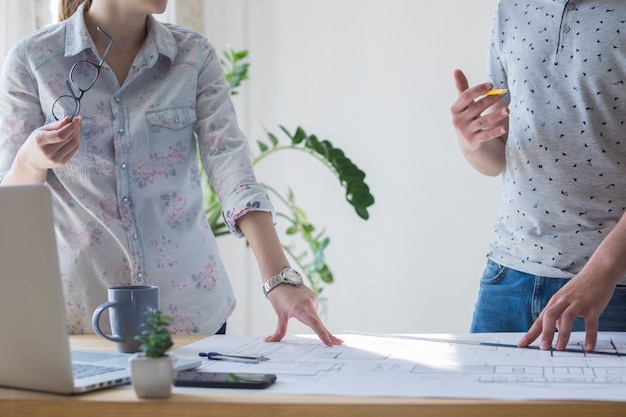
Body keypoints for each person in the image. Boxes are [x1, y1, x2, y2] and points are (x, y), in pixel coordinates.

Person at [0, 0, 342, 346]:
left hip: (190, 316)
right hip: (83, 318)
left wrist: (278, 278)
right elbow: (12, 205)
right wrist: (30, 160)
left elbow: (230, 166)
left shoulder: (193, 55)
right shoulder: (33, 59)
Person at [450, 0, 626, 353]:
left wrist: (603, 270)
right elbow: (497, 158)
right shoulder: (511, 8)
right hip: (506, 276)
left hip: (610, 287)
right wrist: (470, 141)